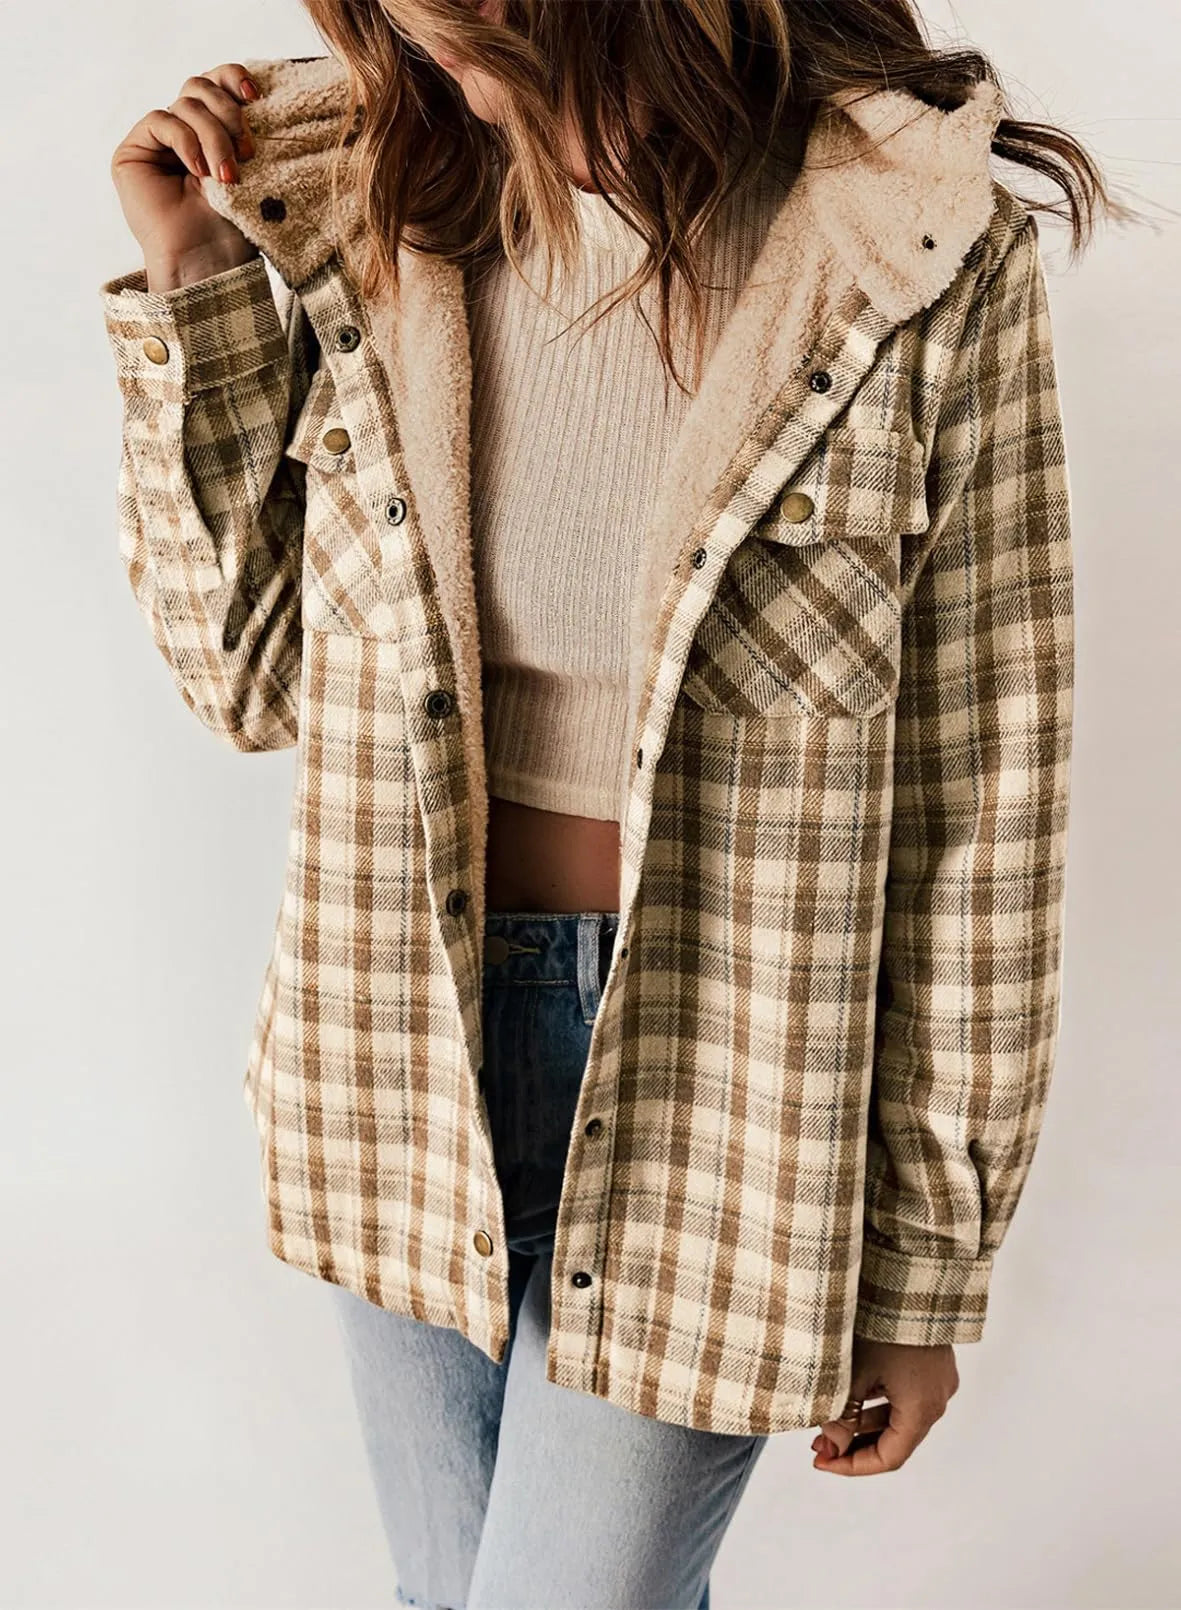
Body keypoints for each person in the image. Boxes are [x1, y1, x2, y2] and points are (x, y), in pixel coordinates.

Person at [101, 3, 1112, 1605]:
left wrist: (924, 1266)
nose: (449, 79)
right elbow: (246, 677)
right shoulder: (377, 206)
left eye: (481, 35)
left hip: (726, 1085)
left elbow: (982, 799)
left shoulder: (909, 250)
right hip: (396, 1045)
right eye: (414, 39)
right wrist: (198, 281)